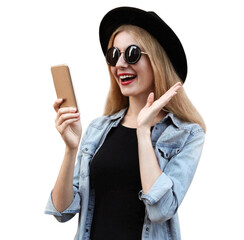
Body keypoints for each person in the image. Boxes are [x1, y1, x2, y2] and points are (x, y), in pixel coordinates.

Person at [45, 6, 206, 240]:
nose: (119, 64)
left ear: (157, 62)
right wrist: (71, 149)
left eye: (131, 54)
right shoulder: (98, 130)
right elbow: (62, 211)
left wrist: (143, 131)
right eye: (113, 55)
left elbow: (161, 209)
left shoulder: (186, 134)